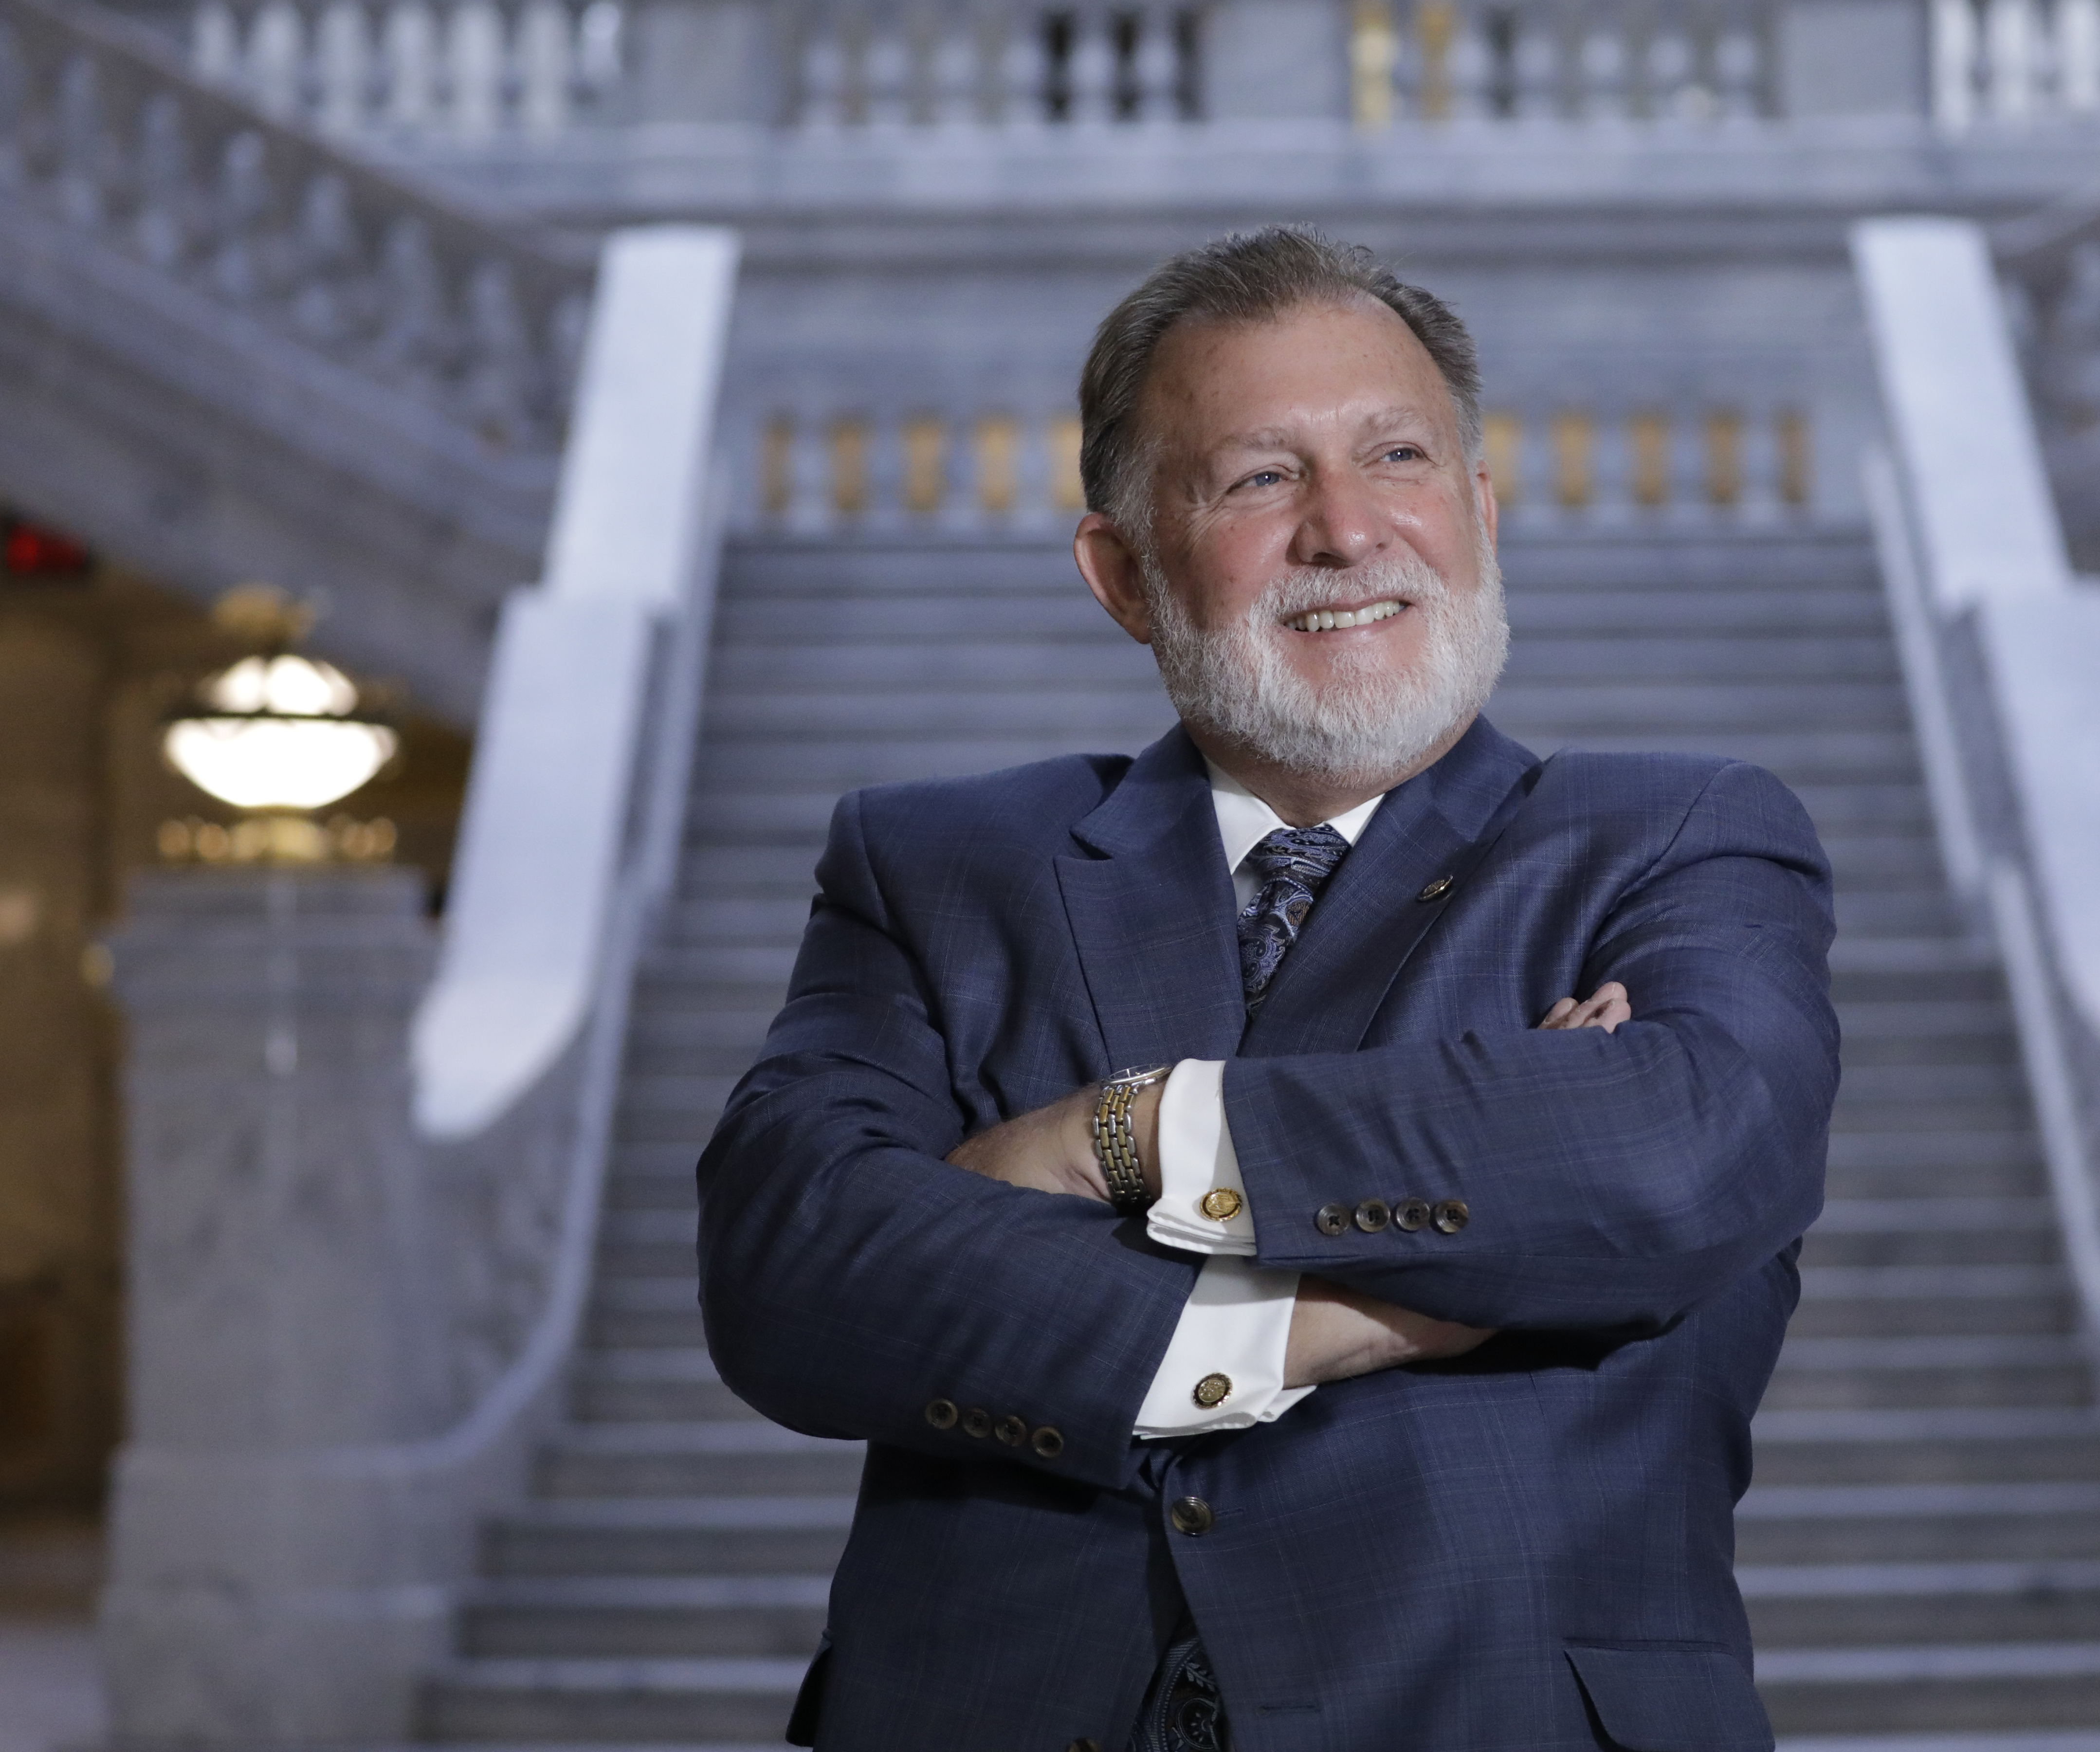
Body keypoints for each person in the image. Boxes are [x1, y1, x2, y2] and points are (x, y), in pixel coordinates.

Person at [696, 225, 1839, 1752]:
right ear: (1124, 572)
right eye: (1257, 479)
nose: (1347, 531)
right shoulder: (936, 864)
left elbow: (1671, 1151)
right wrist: (1325, 1317)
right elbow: (794, 1268)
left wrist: (1125, 1133)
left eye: (1398, 459)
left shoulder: (1675, 840)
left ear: (1482, 513)